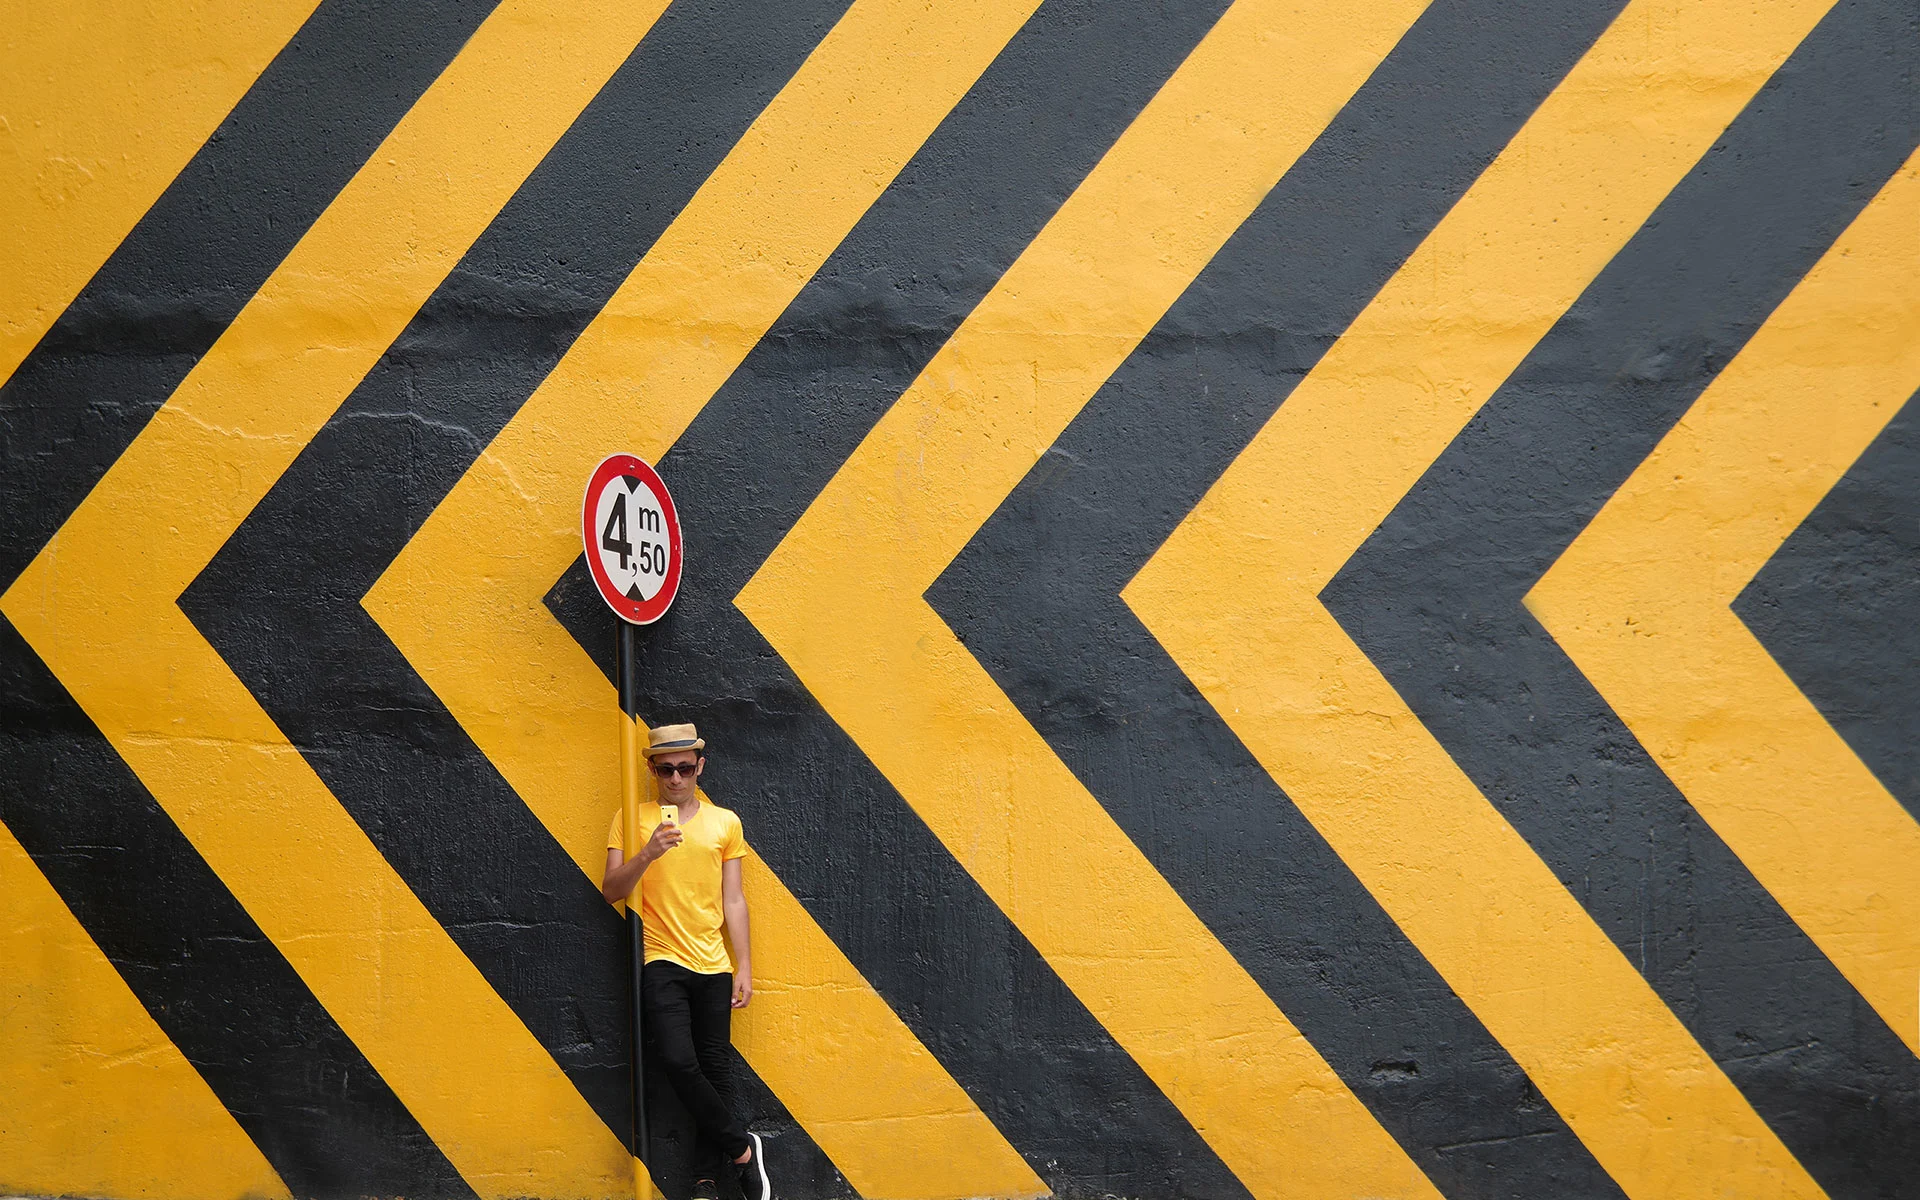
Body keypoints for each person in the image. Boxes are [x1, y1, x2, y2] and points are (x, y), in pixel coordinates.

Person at [603, 723, 771, 1200]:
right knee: (679, 1060)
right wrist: (648, 853)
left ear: (700, 767)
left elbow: (734, 899)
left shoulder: (725, 823)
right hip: (662, 959)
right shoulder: (631, 818)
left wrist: (744, 966)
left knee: (715, 1073)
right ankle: (744, 1151)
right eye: (664, 769)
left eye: (683, 768)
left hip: (713, 966)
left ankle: (704, 1180)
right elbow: (611, 889)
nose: (674, 778)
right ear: (651, 769)